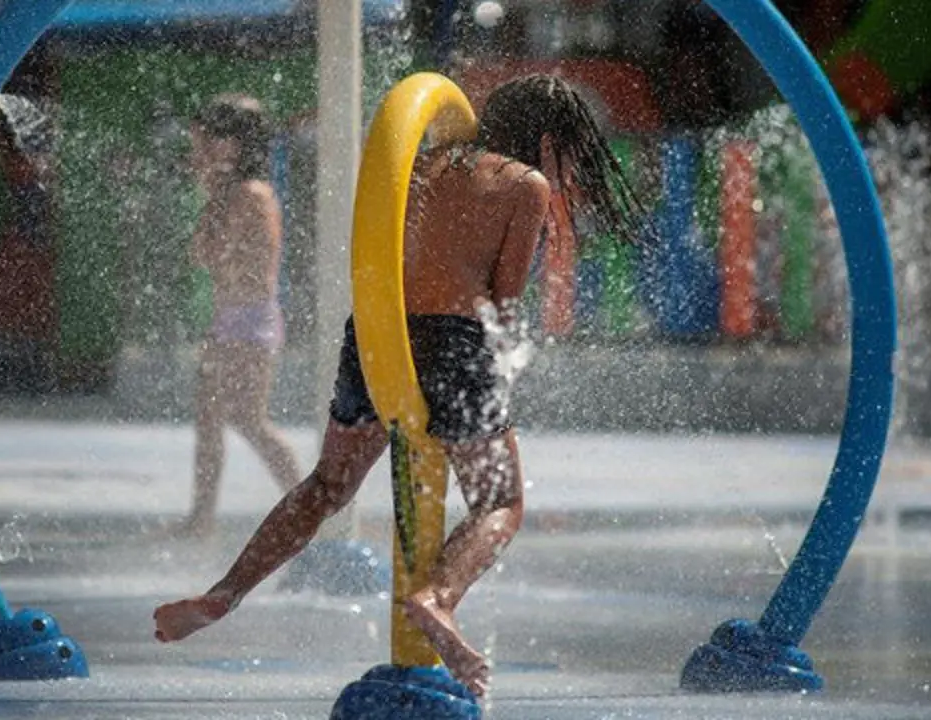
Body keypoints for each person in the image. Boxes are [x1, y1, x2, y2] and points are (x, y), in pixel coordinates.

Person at [154, 75, 643, 697]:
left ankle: (223, 594)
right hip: (454, 343)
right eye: (567, 151)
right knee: (499, 502)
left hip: (376, 339)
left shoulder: (421, 163)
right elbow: (504, 298)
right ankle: (438, 599)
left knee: (328, 485)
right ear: (545, 139)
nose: (566, 166)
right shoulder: (526, 185)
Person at [184, 95, 302, 537]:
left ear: (230, 144)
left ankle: (310, 504)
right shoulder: (229, 192)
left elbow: (211, 251)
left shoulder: (251, 195)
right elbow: (203, 254)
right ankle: (201, 519)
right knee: (210, 419)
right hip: (230, 319)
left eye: (203, 143)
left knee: (249, 420)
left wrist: (208, 190)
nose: (197, 154)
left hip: (251, 322)